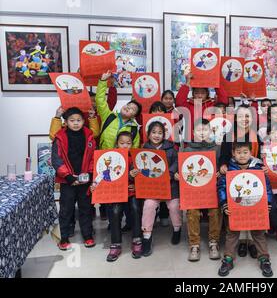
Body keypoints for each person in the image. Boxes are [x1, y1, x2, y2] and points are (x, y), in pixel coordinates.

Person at [217, 142, 274, 277]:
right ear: (233, 153)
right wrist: (224, 203)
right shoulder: (228, 169)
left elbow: (267, 188)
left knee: (258, 232)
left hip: (255, 206)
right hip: (235, 207)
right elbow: (221, 188)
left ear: (251, 153)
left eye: (245, 152)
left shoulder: (259, 168)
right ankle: (228, 258)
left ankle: (264, 258)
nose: (242, 155)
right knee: (232, 232)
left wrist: (268, 203)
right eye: (238, 152)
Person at [91, 132, 143, 261]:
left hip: (131, 192)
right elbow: (102, 175)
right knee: (114, 211)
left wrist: (134, 180)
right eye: (122, 143)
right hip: (115, 192)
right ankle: (115, 243)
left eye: (128, 143)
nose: (125, 145)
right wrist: (95, 185)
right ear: (116, 144)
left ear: (132, 144)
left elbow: (142, 178)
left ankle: (137, 240)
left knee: (136, 209)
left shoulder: (135, 158)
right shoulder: (110, 158)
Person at [218, 105, 262, 258]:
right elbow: (223, 156)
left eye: (248, 116)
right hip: (234, 176)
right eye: (242, 116)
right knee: (239, 205)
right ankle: (242, 241)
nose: (245, 119)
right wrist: (222, 165)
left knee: (252, 205)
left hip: (252, 177)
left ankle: (251, 241)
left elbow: (261, 158)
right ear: (236, 118)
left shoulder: (256, 136)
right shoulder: (229, 135)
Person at [51, 107, 96, 250]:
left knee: (86, 209)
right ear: (66, 122)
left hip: (84, 180)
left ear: (84, 121)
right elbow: (56, 160)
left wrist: (89, 174)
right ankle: (63, 238)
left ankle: (88, 236)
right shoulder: (59, 137)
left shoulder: (89, 135)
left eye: (79, 120)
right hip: (67, 181)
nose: (75, 123)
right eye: (72, 120)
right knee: (66, 210)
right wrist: (69, 177)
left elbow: (93, 157)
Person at [179, 119, 222, 261]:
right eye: (199, 130)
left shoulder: (217, 148)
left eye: (205, 130)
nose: (202, 132)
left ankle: (213, 242)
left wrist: (220, 172)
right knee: (192, 211)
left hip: (212, 189)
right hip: (194, 190)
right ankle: (194, 244)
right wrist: (179, 175)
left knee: (215, 210)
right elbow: (184, 171)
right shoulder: (187, 150)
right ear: (193, 133)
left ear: (211, 132)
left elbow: (223, 166)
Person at [141, 121, 181, 256]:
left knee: (174, 206)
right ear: (148, 134)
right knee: (148, 205)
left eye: (159, 133)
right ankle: (146, 236)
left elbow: (177, 162)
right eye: (153, 132)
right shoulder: (144, 149)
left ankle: (177, 229)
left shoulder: (171, 148)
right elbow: (140, 166)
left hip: (170, 186)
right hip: (153, 188)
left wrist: (169, 174)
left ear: (164, 135)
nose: (156, 135)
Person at [96, 71, 142, 150]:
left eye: (132, 109)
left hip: (122, 159)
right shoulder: (109, 116)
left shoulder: (133, 129)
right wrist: (103, 81)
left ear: (134, 116)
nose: (128, 108)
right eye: (128, 105)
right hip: (104, 156)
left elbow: (135, 148)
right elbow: (100, 100)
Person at [175, 73, 228, 139]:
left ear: (207, 94)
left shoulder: (212, 105)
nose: (200, 95)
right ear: (193, 94)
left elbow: (224, 101)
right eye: (196, 93)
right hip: (191, 141)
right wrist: (187, 83)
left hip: (210, 139)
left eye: (203, 93)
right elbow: (178, 103)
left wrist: (215, 82)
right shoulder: (188, 106)